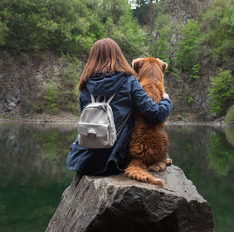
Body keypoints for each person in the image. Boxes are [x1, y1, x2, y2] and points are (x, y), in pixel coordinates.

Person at [66, 38, 173, 175]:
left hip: (83, 160)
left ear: (92, 59)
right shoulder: (129, 82)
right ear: (118, 56)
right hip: (114, 160)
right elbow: (156, 114)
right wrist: (166, 100)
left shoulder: (85, 86)